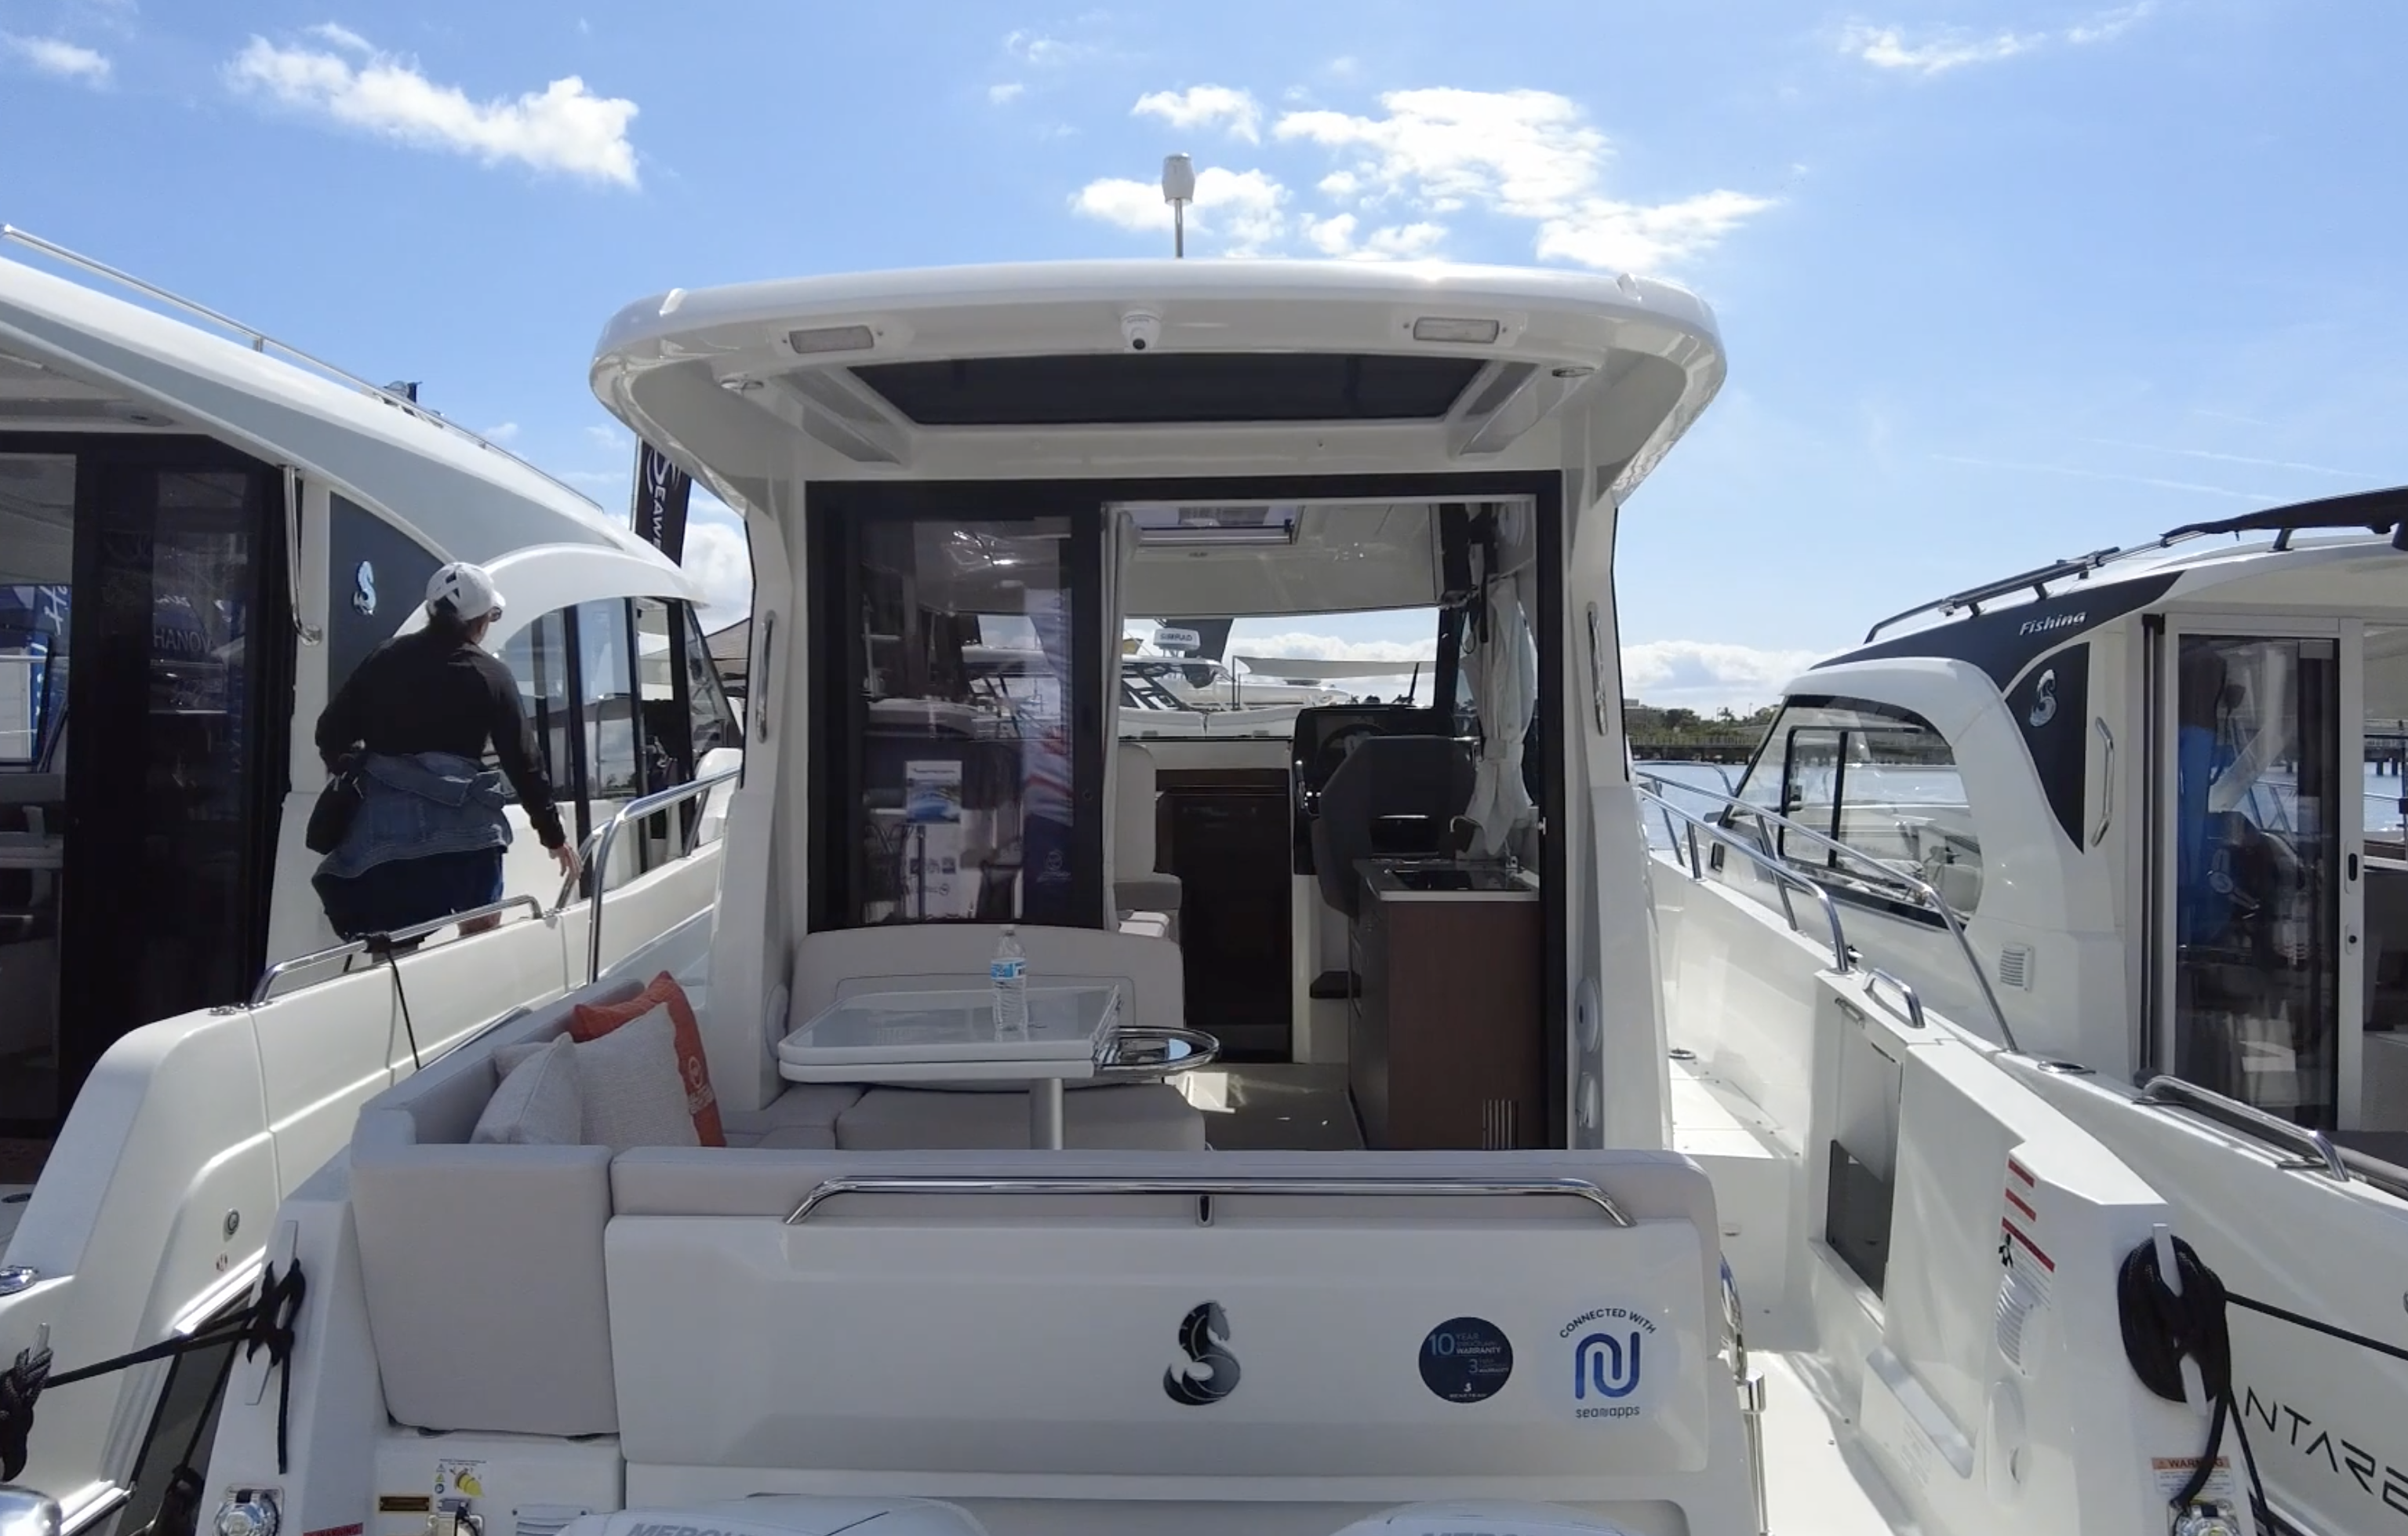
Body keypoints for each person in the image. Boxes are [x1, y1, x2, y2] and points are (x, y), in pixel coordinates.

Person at [311, 562, 579, 942]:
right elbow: (524, 763)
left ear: (431, 610)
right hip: (467, 830)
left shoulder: (385, 658)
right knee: (479, 936)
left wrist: (361, 769)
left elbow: (330, 732)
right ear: (481, 622)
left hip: (387, 829)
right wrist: (553, 836)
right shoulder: (492, 675)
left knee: (394, 945)